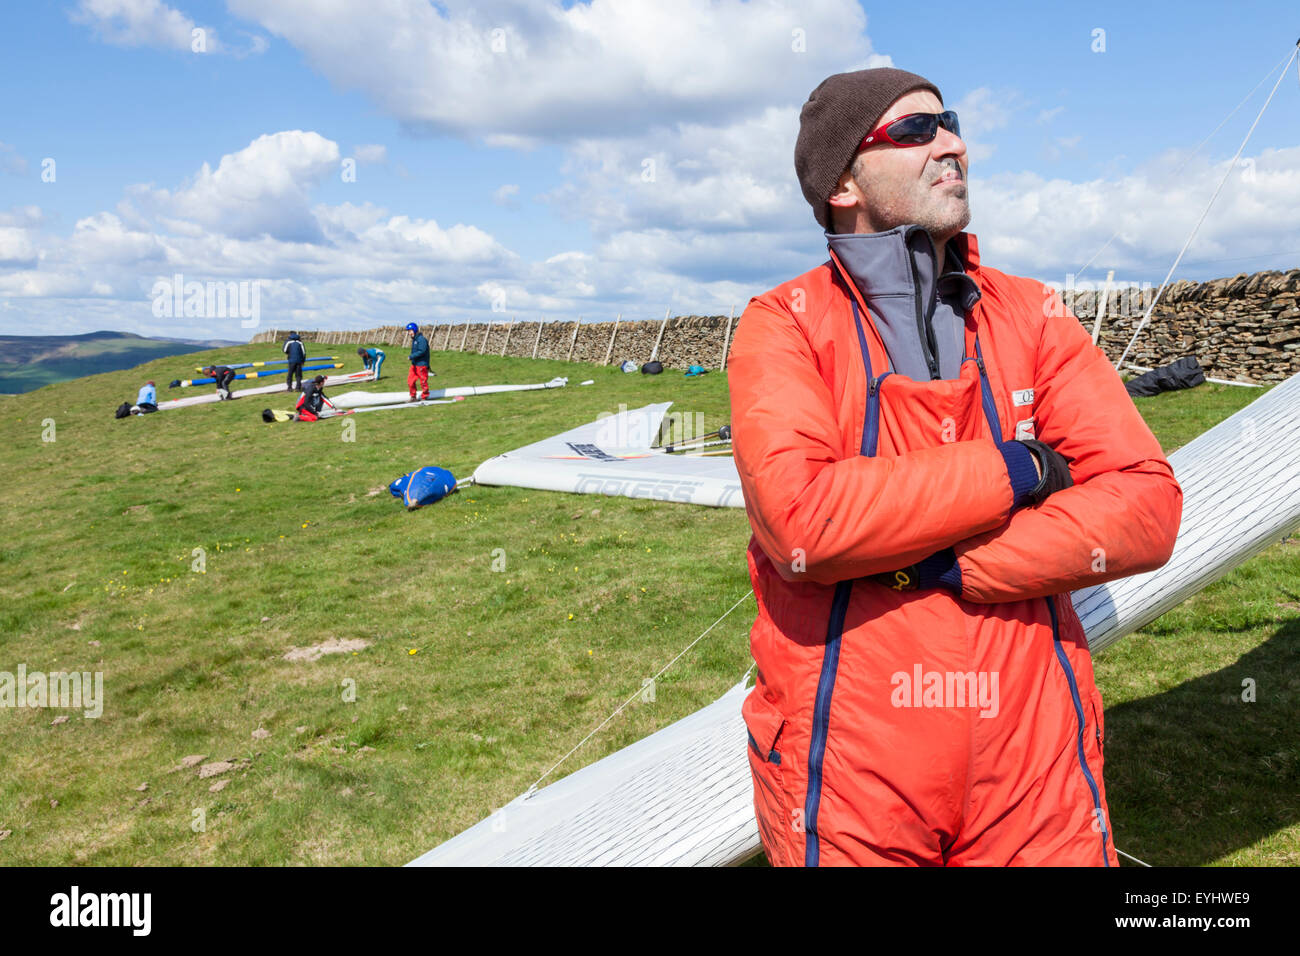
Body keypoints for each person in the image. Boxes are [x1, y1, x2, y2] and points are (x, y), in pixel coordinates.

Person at [727, 68, 1183, 867]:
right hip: (850, 762)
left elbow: (1145, 507)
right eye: (914, 131)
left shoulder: (1033, 313)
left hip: (1037, 758)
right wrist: (1021, 469)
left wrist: (934, 559)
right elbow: (805, 519)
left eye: (951, 123)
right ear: (840, 182)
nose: (953, 145)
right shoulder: (783, 325)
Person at [404, 322, 432, 401]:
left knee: (423, 381)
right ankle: (413, 397)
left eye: (410, 331)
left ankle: (425, 396)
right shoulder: (415, 339)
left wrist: (411, 356)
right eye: (408, 331)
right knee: (410, 381)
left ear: (415, 330)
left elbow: (422, 351)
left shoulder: (421, 339)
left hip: (421, 364)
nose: (409, 333)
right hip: (414, 364)